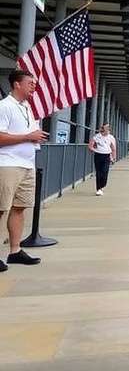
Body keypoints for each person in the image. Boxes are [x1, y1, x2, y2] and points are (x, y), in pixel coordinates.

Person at [0, 69, 48, 271]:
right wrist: (28, 137)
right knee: (1, 209)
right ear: (17, 84)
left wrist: (34, 137)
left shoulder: (27, 107)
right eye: (30, 83)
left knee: (19, 208)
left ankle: (15, 251)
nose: (34, 86)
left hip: (27, 164)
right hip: (7, 164)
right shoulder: (4, 107)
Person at [88, 123, 116, 196]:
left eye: (108, 128)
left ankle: (102, 185)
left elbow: (113, 148)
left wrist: (113, 158)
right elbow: (90, 146)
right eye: (105, 128)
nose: (107, 129)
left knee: (105, 172)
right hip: (98, 155)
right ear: (103, 128)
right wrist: (95, 150)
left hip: (107, 156)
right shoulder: (97, 136)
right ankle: (99, 189)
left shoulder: (111, 137)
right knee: (98, 172)